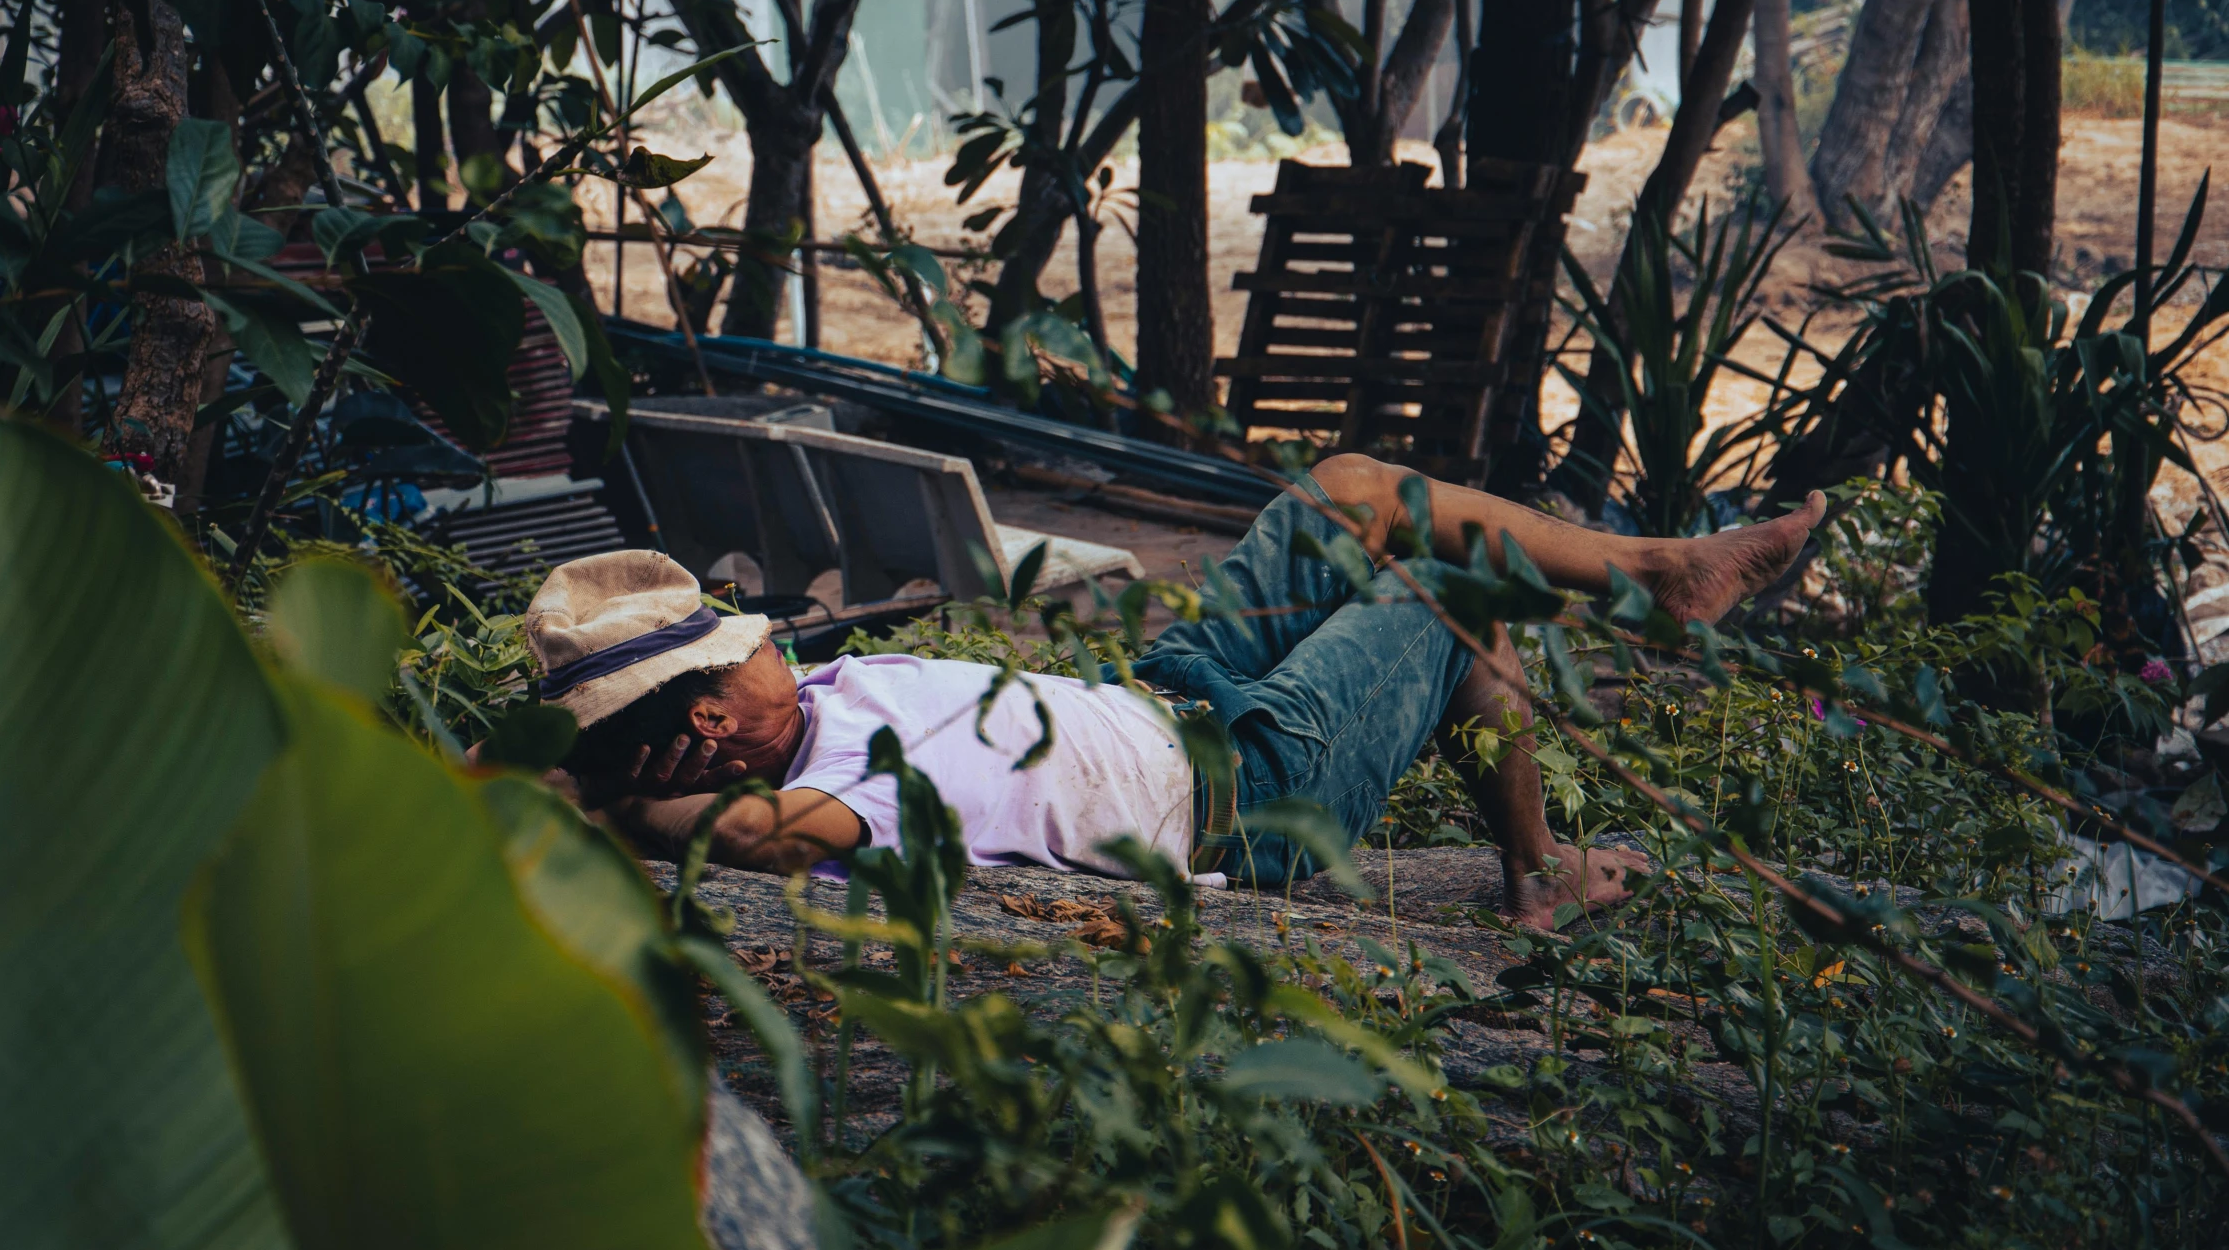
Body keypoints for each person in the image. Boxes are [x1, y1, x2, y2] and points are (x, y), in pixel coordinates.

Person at [527, 455, 1824, 927]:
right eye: (743, 641)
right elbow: (748, 833)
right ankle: (1537, 870)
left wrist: (574, 765)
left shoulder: (794, 700)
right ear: (709, 719)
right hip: (1249, 785)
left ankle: (1656, 571)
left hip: (1186, 685)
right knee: (1450, 605)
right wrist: (622, 809)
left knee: (1354, 489)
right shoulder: (831, 790)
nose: (774, 642)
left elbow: (535, 755)